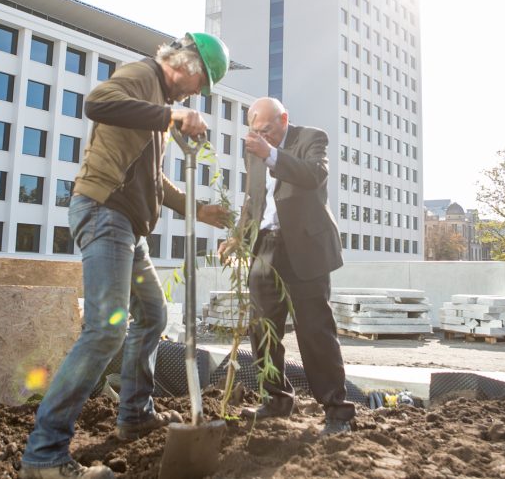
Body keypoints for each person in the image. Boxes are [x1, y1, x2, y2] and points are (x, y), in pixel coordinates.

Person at [20, 33, 232, 479]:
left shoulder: (155, 104)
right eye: (200, 83)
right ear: (187, 65)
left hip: (128, 228)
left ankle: (134, 416)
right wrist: (172, 113)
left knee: (153, 314)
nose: (196, 93)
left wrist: (198, 210)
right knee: (105, 330)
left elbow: (154, 178)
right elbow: (97, 102)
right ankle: (44, 454)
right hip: (104, 213)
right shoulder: (141, 75)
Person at [219, 97, 356, 436]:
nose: (260, 136)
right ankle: (276, 399)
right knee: (263, 328)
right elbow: (253, 199)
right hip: (265, 245)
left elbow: (314, 175)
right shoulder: (254, 150)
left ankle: (338, 412)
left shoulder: (311, 138)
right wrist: (238, 235)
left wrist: (272, 155)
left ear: (283, 119)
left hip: (304, 247)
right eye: (255, 131)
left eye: (266, 130)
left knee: (315, 331)